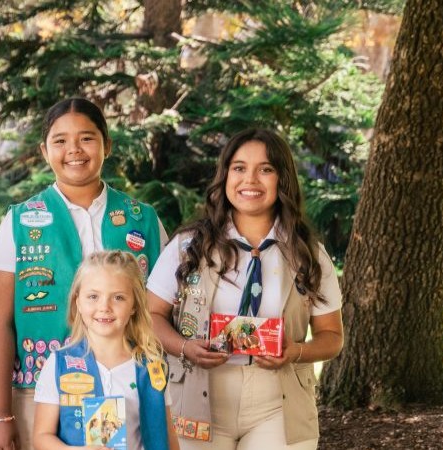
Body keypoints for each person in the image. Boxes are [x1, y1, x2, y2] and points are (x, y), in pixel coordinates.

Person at [146, 129, 345, 450]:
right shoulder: (187, 246)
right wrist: (183, 347)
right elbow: (150, 315)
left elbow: (333, 337)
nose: (250, 179)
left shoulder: (308, 253)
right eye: (239, 168)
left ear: (282, 180)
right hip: (198, 399)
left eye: (265, 169)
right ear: (225, 177)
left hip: (278, 404)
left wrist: (295, 351)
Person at [0, 98, 166, 450]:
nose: (74, 150)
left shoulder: (142, 219)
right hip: (40, 395)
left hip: (129, 386)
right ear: (44, 150)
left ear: (107, 145)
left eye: (86, 138)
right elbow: (0, 324)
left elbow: (163, 311)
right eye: (60, 141)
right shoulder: (20, 221)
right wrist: (0, 416)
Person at [30, 252, 179, 450]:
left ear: (134, 305)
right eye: (93, 296)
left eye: (118, 297)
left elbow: (168, 437)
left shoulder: (153, 366)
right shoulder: (59, 364)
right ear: (78, 302)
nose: (104, 307)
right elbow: (41, 437)